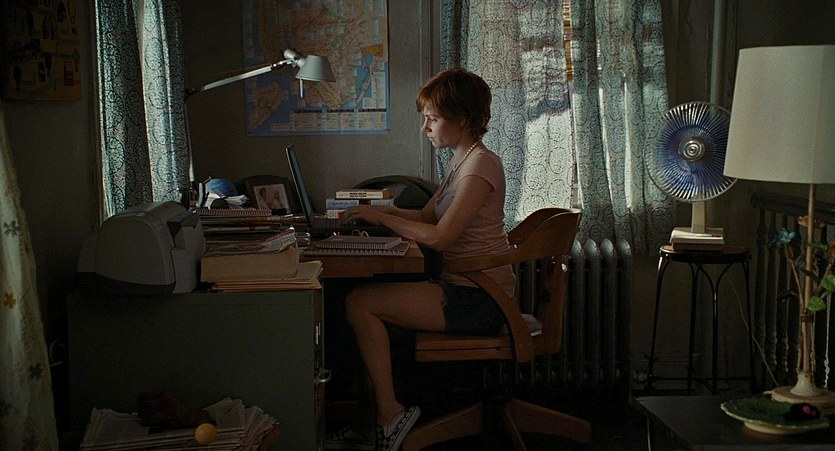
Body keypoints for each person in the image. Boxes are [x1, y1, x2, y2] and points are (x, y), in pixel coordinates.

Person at [326, 67, 515, 451]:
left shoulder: (481, 165)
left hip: (481, 298)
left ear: (462, 119)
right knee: (358, 300)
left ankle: (389, 414)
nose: (425, 128)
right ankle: (370, 423)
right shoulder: (461, 161)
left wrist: (384, 219)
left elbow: (440, 237)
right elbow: (428, 217)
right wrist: (377, 211)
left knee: (359, 303)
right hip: (464, 289)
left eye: (433, 119)